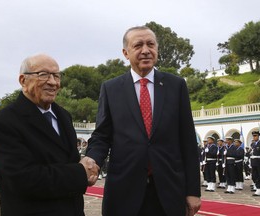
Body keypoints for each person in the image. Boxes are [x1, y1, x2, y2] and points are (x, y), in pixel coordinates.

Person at [85, 26, 201, 216]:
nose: (146, 50)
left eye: (151, 44)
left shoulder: (176, 85)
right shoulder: (111, 88)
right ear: (126, 53)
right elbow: (102, 136)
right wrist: (92, 160)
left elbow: (188, 141)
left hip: (169, 192)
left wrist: (193, 191)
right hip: (124, 192)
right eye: (138, 45)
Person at [0, 54, 99, 216]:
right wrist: (80, 173)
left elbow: (69, 160)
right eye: (43, 75)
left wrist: (86, 168)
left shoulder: (64, 116)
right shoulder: (4, 122)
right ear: (23, 80)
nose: (53, 82)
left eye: (56, 75)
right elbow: (23, 180)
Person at [250, 130, 260, 196]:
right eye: (253, 136)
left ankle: (258, 189)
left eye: (255, 136)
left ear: (258, 136)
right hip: (253, 161)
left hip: (259, 161)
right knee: (254, 175)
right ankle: (257, 187)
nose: (254, 137)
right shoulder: (253, 144)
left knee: (259, 175)